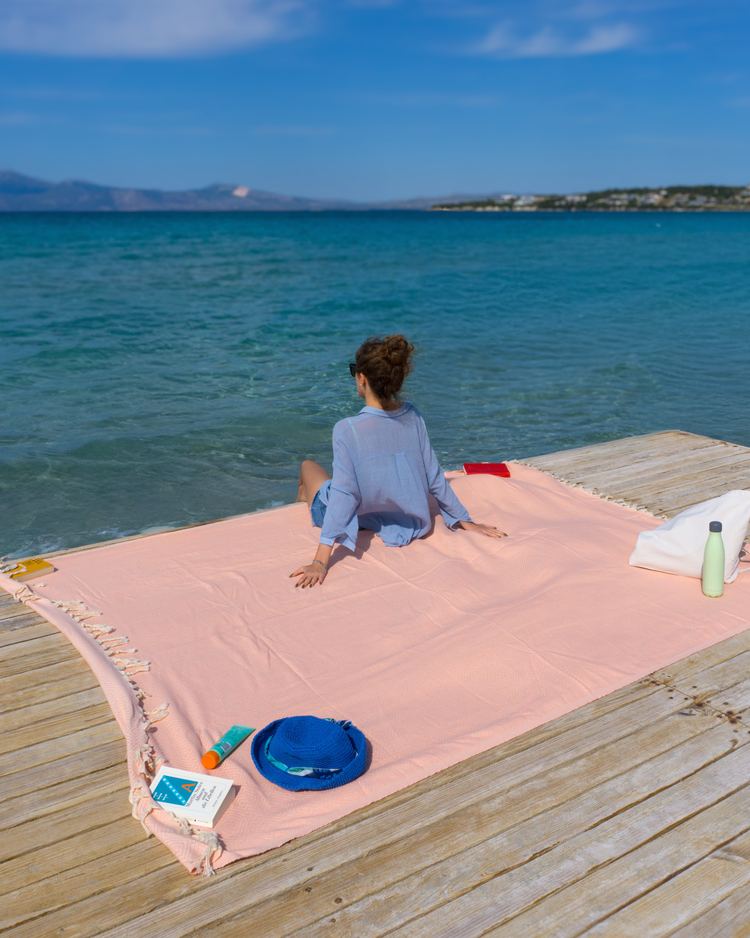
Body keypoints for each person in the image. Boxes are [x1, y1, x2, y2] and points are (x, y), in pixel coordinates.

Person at [290, 335, 506, 588]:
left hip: (352, 516)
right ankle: (303, 498)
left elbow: (344, 494)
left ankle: (300, 504)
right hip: (407, 521)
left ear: (362, 379)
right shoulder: (412, 416)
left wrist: (320, 562)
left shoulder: (346, 430)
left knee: (307, 467)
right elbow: (434, 477)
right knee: (314, 487)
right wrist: (465, 522)